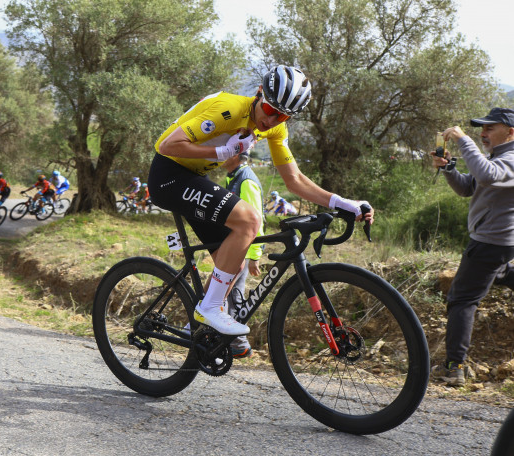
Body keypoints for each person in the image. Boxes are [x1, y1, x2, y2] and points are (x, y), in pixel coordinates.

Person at [150, 64, 372, 335]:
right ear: (259, 93)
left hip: (193, 177)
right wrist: (222, 151)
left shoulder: (275, 129)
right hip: (168, 175)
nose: (273, 120)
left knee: (233, 261)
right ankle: (209, 309)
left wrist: (343, 202)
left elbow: (295, 180)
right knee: (250, 219)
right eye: (270, 110)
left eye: (283, 117)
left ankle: (196, 334)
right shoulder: (228, 109)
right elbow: (166, 145)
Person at [430, 107, 514, 386]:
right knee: (499, 274)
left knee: (461, 300)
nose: (482, 133)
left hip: (490, 243)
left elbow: (487, 175)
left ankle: (454, 368)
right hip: (497, 246)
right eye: (482, 128)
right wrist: (449, 168)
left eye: (490, 128)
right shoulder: (497, 158)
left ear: (510, 132)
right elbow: (469, 187)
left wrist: (463, 140)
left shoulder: (511, 159)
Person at [222, 151, 263, 357]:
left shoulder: (246, 180)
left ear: (237, 157)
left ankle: (239, 343)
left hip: (243, 249)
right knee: (227, 293)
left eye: (226, 152)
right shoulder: (233, 176)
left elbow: (256, 220)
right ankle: (232, 340)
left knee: (233, 294)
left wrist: (254, 256)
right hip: (232, 246)